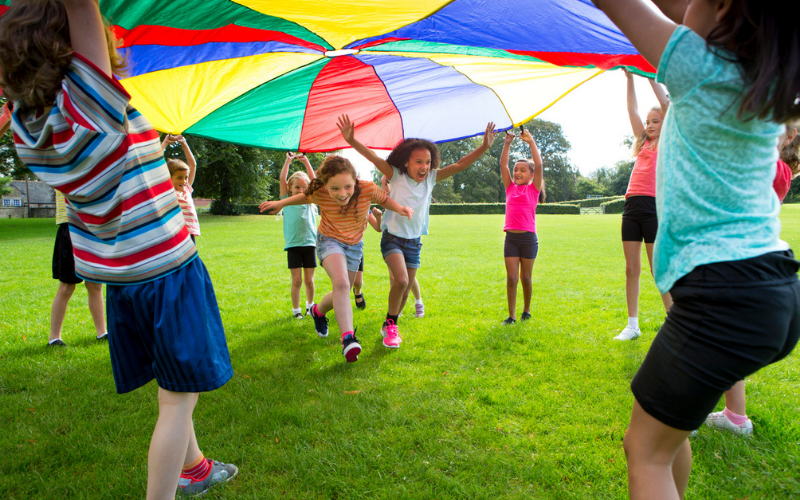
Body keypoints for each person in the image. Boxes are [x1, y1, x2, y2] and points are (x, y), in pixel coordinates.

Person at [0, 2, 237, 498]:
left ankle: (194, 467)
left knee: (171, 380)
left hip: (123, 278)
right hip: (167, 270)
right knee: (178, 401)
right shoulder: (91, 108)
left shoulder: (27, 130)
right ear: (69, 50)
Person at [592, 1, 800, 499]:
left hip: (723, 294)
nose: (683, 12)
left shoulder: (698, 64)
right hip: (775, 288)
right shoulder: (761, 82)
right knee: (669, 431)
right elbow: (694, 9)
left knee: (644, 451)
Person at [338, 115, 496, 347]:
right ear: (406, 163)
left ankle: (389, 325)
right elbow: (372, 157)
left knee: (403, 292)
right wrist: (352, 140)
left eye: (428, 162)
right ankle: (392, 325)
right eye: (419, 161)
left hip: (414, 242)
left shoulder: (431, 178)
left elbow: (460, 165)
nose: (424, 166)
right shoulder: (396, 176)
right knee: (401, 281)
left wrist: (484, 146)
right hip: (392, 238)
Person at [259, 155, 413, 362]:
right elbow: (303, 197)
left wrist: (400, 208)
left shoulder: (366, 188)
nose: (342, 194)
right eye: (335, 189)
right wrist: (281, 203)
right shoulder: (320, 192)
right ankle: (348, 339)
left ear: (355, 180)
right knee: (340, 283)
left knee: (343, 290)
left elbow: (384, 199)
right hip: (329, 241)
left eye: (348, 187)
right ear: (325, 185)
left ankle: (317, 312)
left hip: (354, 246)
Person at [703, 121, 800, 437]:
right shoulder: (776, 167)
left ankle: (686, 413)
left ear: (788, 135)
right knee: (724, 338)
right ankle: (735, 415)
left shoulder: (770, 166)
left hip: (738, 262)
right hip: (741, 260)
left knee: (714, 336)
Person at [615, 70, 674, 341]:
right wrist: (629, 78)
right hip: (631, 207)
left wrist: (651, 76)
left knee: (656, 268)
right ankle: (632, 325)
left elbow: (666, 105)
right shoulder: (642, 144)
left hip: (653, 208)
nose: (649, 125)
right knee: (631, 268)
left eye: (655, 121)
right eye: (648, 122)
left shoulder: (669, 142)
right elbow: (630, 109)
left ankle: (674, 321)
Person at [48, 191, 108, 346]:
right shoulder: (61, 169)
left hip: (91, 227)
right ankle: (54, 337)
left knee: (95, 284)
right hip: (70, 226)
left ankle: (102, 333)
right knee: (67, 285)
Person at [498, 129, 544, 325]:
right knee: (511, 278)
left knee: (525, 277)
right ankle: (512, 315)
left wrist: (531, 142)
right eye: (516, 169)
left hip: (528, 240)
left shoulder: (533, 189)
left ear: (532, 175)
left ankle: (526, 310)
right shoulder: (510, 188)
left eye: (523, 170)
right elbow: (503, 165)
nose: (517, 172)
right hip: (511, 240)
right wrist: (507, 143)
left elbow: (539, 164)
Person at [375, 177, 425, 318]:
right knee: (397, 278)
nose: (385, 185)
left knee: (406, 279)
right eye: (384, 183)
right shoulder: (386, 198)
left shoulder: (404, 193)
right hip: (391, 240)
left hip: (410, 240)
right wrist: (378, 217)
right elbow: (379, 227)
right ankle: (395, 312)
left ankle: (418, 301)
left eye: (387, 182)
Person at [278, 152, 317, 319]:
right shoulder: (286, 200)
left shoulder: (310, 200)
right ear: (290, 189)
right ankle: (296, 311)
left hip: (310, 244)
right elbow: (282, 180)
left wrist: (306, 161)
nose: (301, 190)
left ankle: (310, 306)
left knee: (309, 280)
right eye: (297, 187)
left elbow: (315, 182)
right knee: (296, 281)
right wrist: (288, 160)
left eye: (303, 187)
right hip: (293, 245)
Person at [163, 135, 200, 242]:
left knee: (191, 259)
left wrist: (184, 143)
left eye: (186, 177)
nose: (184, 181)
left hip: (189, 234)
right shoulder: (167, 190)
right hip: (173, 234)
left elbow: (193, 165)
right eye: (179, 178)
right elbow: (153, 165)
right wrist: (165, 143)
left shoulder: (187, 189)